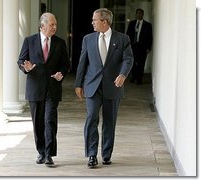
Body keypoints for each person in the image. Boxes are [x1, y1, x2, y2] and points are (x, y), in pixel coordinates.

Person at [74, 8, 133, 168]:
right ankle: (92, 155)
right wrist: (78, 84)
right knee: (91, 118)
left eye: (95, 20)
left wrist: (123, 75)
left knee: (109, 122)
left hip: (113, 87)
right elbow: (82, 63)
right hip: (92, 86)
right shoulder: (88, 39)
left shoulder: (122, 39)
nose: (92, 22)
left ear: (104, 21)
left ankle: (106, 155)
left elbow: (128, 59)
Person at [17, 12, 70, 167]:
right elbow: (21, 60)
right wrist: (25, 67)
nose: (55, 27)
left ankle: (49, 154)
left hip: (53, 88)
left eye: (55, 24)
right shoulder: (30, 41)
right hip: (35, 88)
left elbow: (65, 64)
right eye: (52, 24)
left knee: (50, 120)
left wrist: (62, 73)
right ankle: (40, 152)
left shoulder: (60, 43)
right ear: (42, 26)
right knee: (38, 122)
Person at [126, 8, 153, 85]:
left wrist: (149, 47)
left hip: (142, 47)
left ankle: (139, 79)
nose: (138, 14)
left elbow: (150, 37)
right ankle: (133, 76)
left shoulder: (147, 25)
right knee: (132, 62)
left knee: (141, 63)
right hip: (132, 46)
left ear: (142, 14)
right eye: (137, 13)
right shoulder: (132, 23)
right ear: (136, 14)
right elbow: (128, 35)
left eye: (140, 13)